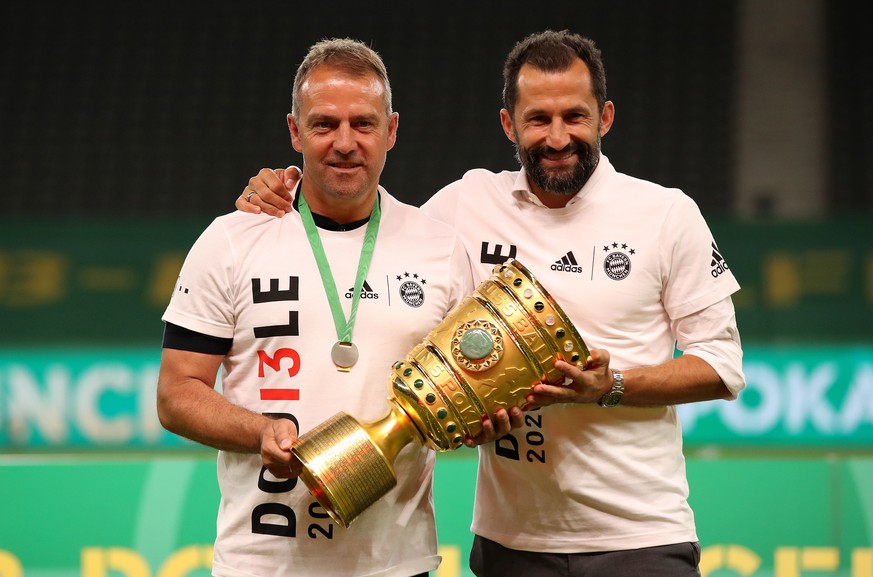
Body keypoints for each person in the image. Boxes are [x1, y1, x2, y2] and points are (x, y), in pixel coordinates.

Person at [235, 30, 745, 577]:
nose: (557, 137)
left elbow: (721, 366)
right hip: (510, 543)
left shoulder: (666, 214)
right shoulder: (465, 204)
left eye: (574, 116)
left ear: (606, 117)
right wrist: (281, 190)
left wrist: (611, 387)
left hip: (641, 536)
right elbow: (363, 231)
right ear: (508, 124)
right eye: (537, 119)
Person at [157, 38, 491, 577]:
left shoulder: (441, 249)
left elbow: (468, 389)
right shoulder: (232, 240)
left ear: (392, 130)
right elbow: (176, 394)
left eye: (363, 124)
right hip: (261, 563)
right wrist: (260, 431)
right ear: (294, 131)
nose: (344, 142)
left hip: (394, 563)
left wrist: (482, 420)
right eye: (323, 125)